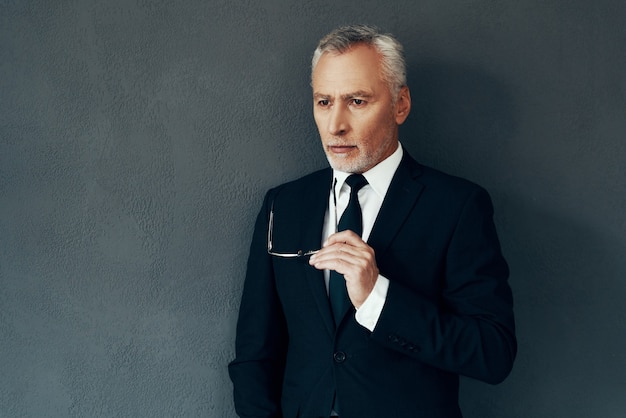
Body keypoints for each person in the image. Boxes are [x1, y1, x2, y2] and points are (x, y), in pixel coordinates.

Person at [228, 24, 516, 418]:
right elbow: (254, 353)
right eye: (324, 102)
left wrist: (376, 297)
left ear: (400, 104)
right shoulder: (284, 205)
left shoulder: (458, 206)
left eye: (357, 101)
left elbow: (492, 353)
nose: (336, 126)